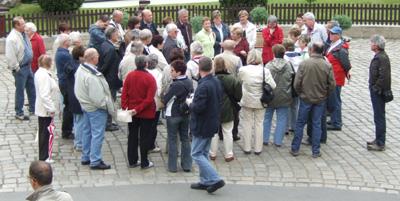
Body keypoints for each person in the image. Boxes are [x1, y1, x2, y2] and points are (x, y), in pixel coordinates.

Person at [290, 42, 335, 158]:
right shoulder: (327, 65)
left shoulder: (304, 64)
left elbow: (296, 83)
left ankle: (295, 148)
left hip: (306, 98)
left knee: (300, 123)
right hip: (320, 99)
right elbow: (332, 84)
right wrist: (325, 94)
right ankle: (316, 150)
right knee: (317, 124)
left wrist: (301, 94)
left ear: (312, 50)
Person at [75, 48, 115, 170]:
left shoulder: (81, 70)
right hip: (95, 108)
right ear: (93, 59)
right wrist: (107, 106)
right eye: (97, 56)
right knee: (98, 134)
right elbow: (98, 98)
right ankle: (95, 160)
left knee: (87, 132)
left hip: (86, 106)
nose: (99, 58)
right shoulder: (91, 77)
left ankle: (86, 156)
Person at [189, 57, 225, 193]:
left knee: (196, 153)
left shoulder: (203, 85)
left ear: (199, 69)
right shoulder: (216, 81)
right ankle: (205, 181)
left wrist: (189, 104)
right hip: (212, 121)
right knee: (203, 153)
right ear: (211, 68)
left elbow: (198, 108)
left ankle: (215, 178)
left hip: (202, 124)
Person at [121, 55, 157, 169]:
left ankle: (132, 160)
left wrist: (126, 108)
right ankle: (144, 162)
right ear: (146, 64)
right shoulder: (150, 78)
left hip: (131, 112)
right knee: (144, 137)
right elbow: (149, 99)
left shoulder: (129, 76)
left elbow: (124, 94)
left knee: (132, 136)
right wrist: (138, 109)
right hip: (146, 112)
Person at [238, 50, 276, 155]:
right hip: (261, 100)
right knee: (259, 123)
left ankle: (247, 147)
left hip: (247, 99)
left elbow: (238, 82)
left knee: (247, 123)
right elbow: (273, 85)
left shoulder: (243, 70)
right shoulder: (265, 71)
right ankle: (258, 148)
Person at [162, 60, 193, 172]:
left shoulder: (175, 85)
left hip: (173, 114)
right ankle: (187, 165)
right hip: (185, 114)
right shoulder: (189, 82)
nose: (170, 72)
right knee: (185, 138)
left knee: (172, 139)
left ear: (179, 72)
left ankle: (172, 166)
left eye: (172, 70)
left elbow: (166, 99)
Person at [210, 57, 242, 162]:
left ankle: (212, 153)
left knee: (214, 132)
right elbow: (238, 96)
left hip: (213, 109)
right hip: (228, 108)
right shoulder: (232, 79)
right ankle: (228, 154)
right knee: (228, 131)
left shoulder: (211, 79)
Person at [6, 16, 36, 120]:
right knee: (20, 90)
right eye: (22, 24)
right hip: (21, 68)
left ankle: (33, 108)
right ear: (16, 25)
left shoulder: (23, 34)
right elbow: (10, 56)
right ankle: (19, 112)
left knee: (31, 87)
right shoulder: (12, 38)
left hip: (28, 66)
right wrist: (16, 68)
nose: (25, 25)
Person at [263, 45, 293, 147]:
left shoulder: (268, 65)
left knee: (267, 117)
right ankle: (278, 141)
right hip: (284, 95)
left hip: (270, 95)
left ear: (273, 53)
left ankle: (265, 139)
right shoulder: (289, 65)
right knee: (282, 118)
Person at [367, 34, 391, 151]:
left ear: (376, 45)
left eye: (372, 43)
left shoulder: (382, 58)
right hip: (376, 90)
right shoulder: (379, 56)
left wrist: (375, 88)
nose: (371, 44)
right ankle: (378, 138)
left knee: (379, 117)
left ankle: (380, 142)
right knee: (377, 117)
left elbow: (384, 76)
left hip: (379, 92)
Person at [325, 26, 351, 131]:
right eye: (330, 33)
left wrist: (347, 72)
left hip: (336, 77)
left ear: (339, 35)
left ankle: (336, 123)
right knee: (333, 99)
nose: (331, 35)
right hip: (332, 76)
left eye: (333, 34)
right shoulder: (334, 45)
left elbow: (346, 64)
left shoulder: (341, 49)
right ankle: (334, 119)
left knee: (335, 100)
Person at [34, 55, 59, 162]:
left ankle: (45, 155)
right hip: (45, 110)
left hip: (44, 109)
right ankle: (45, 156)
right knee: (46, 133)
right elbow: (45, 95)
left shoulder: (41, 73)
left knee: (44, 132)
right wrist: (51, 109)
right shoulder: (43, 75)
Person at [98, 27, 123, 132]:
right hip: (110, 79)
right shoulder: (110, 49)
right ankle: (107, 123)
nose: (118, 36)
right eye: (116, 34)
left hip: (108, 78)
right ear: (111, 35)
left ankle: (108, 121)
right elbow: (106, 65)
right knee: (110, 101)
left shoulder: (104, 44)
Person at [55, 34, 74, 140]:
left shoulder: (61, 52)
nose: (70, 41)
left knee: (68, 106)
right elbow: (71, 68)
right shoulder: (64, 55)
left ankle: (67, 130)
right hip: (66, 83)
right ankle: (66, 131)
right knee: (69, 107)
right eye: (69, 40)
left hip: (64, 82)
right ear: (64, 42)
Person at [147, 54, 164, 153]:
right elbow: (159, 89)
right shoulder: (158, 74)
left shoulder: (145, 72)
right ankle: (151, 144)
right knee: (153, 124)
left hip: (145, 101)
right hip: (155, 101)